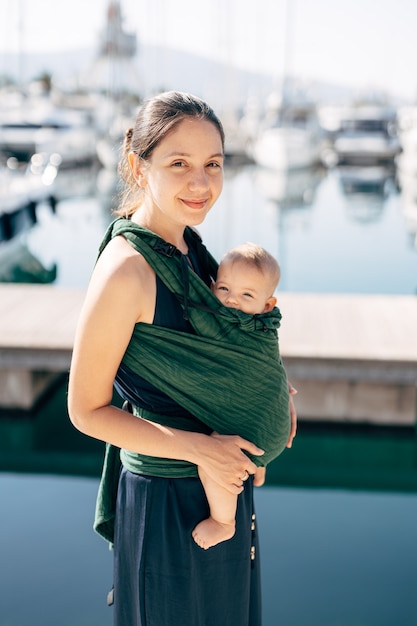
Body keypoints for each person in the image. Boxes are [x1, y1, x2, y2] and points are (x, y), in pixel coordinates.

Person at [67, 90, 297, 626]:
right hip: (169, 501)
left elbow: (228, 347)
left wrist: (271, 393)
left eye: (212, 164)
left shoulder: (189, 247)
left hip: (220, 479)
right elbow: (85, 411)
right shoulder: (129, 269)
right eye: (179, 164)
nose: (201, 183)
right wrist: (205, 451)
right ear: (137, 166)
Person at [192, 241, 287, 550]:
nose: (232, 301)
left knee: (216, 453)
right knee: (243, 429)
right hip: (271, 421)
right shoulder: (265, 324)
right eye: (223, 289)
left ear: (267, 305)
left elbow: (197, 318)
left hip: (261, 429)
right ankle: (259, 464)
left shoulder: (236, 325)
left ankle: (224, 521)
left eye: (247, 295)